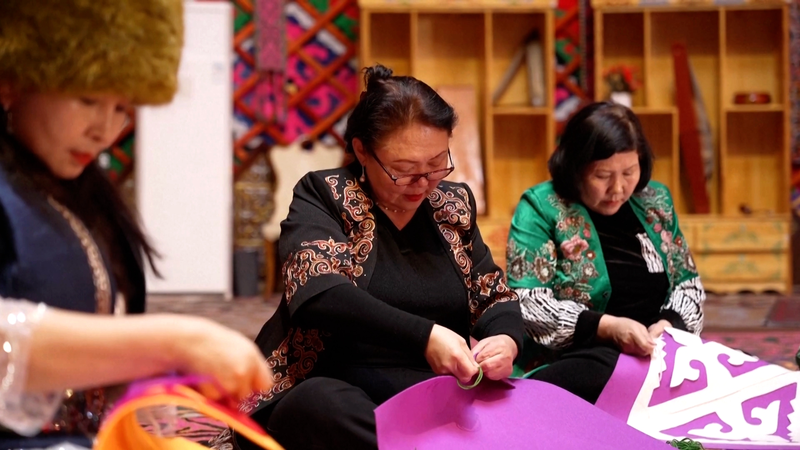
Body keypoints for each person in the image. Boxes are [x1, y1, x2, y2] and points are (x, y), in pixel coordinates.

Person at [0, 1, 271, 447]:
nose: (105, 131)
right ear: (12, 82)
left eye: (121, 108)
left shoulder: (83, 196)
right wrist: (170, 342)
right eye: (88, 100)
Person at [230, 65, 523, 450]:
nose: (423, 183)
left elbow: (492, 294)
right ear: (362, 151)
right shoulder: (325, 195)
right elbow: (319, 292)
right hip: (336, 386)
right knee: (319, 405)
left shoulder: (451, 205)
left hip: (427, 393)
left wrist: (506, 339)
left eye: (437, 163)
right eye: (404, 170)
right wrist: (425, 336)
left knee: (563, 383)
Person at [506, 102, 705, 403]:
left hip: (656, 353)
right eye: (602, 175)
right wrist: (607, 328)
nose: (618, 188)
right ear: (575, 167)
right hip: (581, 358)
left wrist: (667, 327)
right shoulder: (541, 207)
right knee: (610, 369)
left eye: (629, 172)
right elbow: (528, 304)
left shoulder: (656, 201)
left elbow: (688, 285)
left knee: (727, 372)